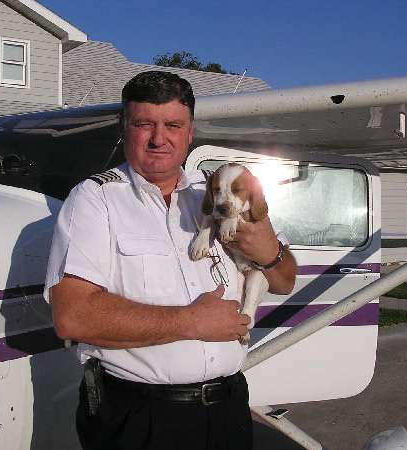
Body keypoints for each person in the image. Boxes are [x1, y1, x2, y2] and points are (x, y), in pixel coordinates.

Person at [44, 70, 297, 450]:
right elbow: (72, 317)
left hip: (228, 407)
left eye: (173, 125)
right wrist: (192, 322)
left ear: (190, 131)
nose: (159, 138)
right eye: (144, 124)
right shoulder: (95, 199)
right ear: (125, 127)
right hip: (141, 419)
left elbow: (284, 281)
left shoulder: (216, 192)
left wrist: (271, 252)